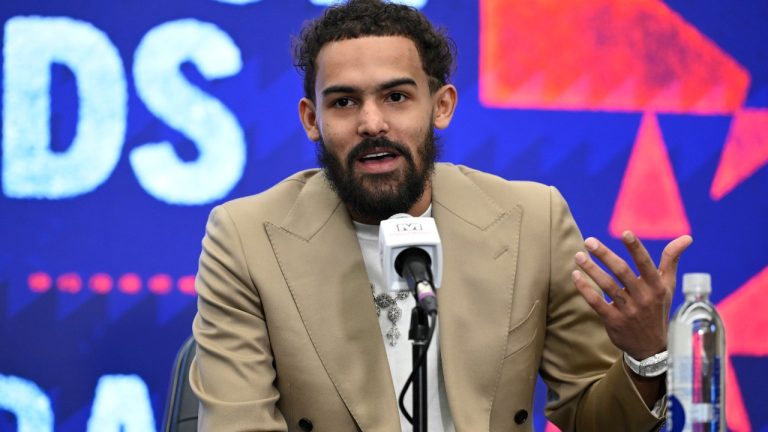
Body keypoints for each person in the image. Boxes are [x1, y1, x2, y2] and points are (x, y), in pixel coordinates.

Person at [189, 0, 692, 430]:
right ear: (311, 120)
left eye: (396, 97)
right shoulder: (247, 239)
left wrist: (646, 357)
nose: (372, 122)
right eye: (343, 102)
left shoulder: (531, 220)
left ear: (441, 105)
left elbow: (594, 420)